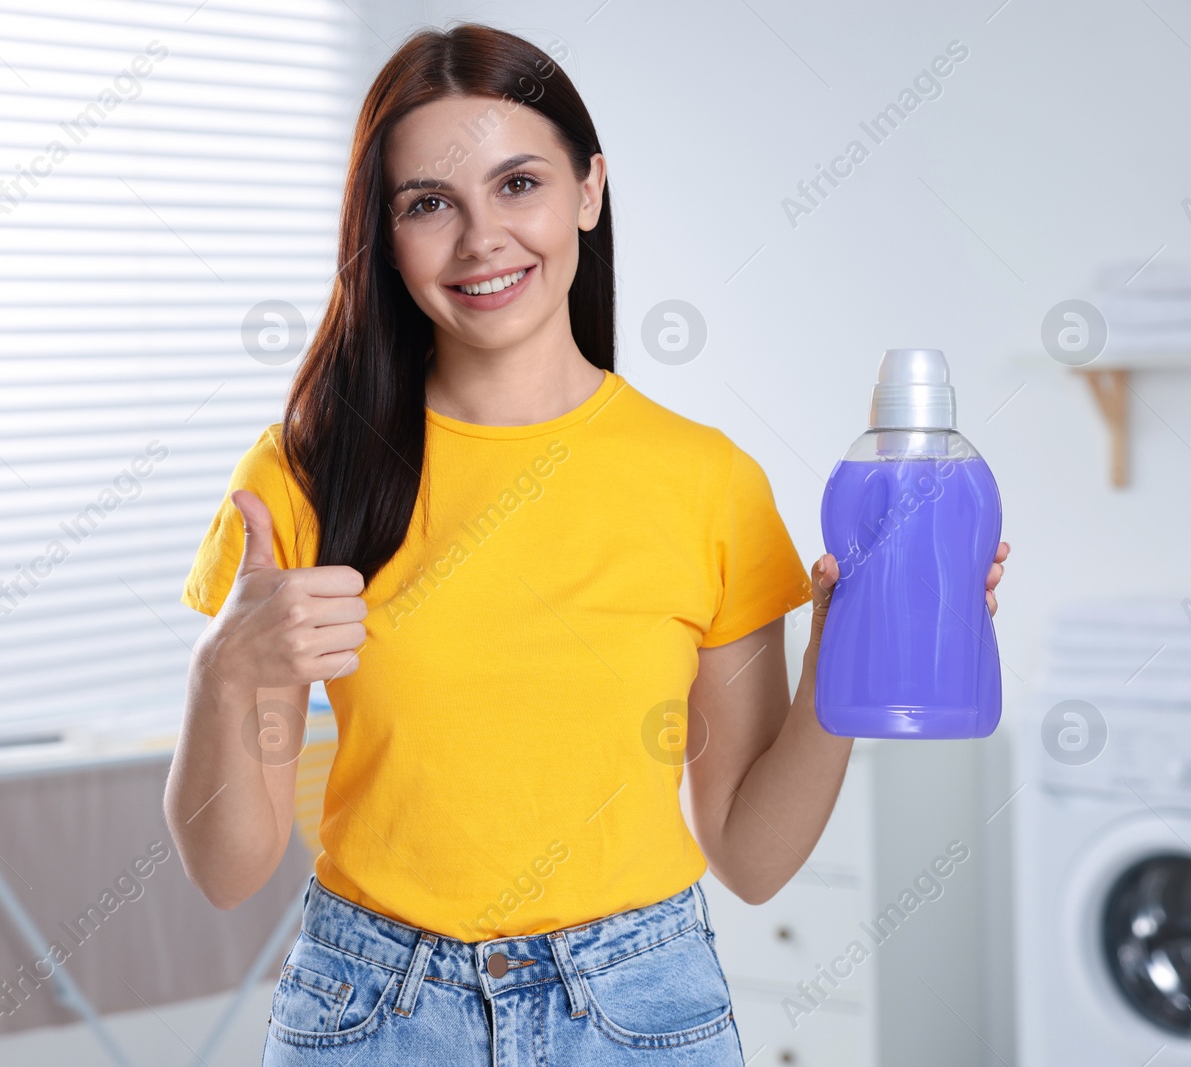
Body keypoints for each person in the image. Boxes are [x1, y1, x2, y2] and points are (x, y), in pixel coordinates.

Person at [164, 23, 1009, 1066]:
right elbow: (226, 868)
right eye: (429, 203)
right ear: (384, 235)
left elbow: (749, 853)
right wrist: (221, 672)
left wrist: (849, 646)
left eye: (518, 184)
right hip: (372, 1010)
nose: (481, 239)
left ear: (588, 191)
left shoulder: (706, 481)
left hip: (637, 1011)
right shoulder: (303, 475)